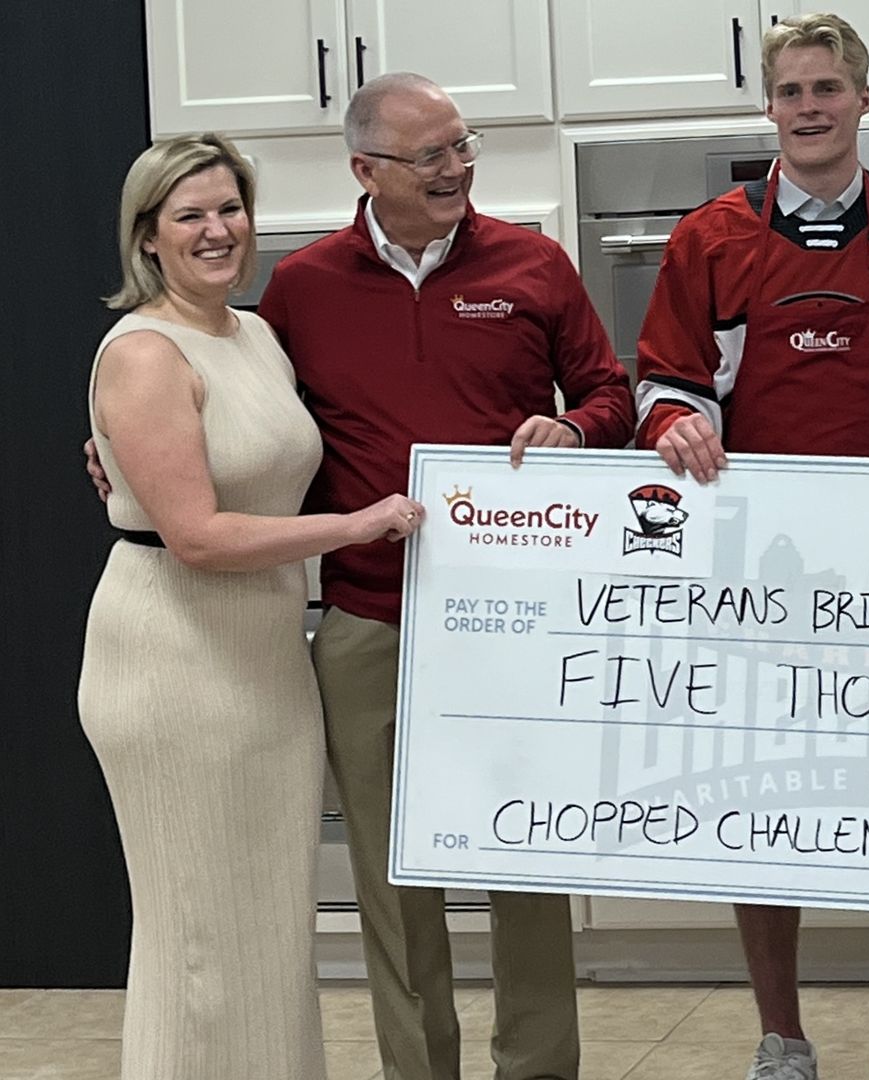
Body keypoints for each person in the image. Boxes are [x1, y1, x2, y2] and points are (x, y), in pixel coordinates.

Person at [90, 74, 637, 1080]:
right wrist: (122, 461)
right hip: (366, 620)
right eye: (430, 154)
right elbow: (239, 430)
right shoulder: (299, 293)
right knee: (393, 880)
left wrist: (576, 427)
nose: (456, 168)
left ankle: (539, 1069)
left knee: (525, 859)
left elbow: (612, 393)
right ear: (365, 170)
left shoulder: (534, 263)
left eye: (462, 145)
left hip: (516, 622)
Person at [631, 14, 869, 1080]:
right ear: (769, 106)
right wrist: (675, 423)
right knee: (761, 802)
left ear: (863, 99)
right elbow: (664, 384)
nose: (809, 108)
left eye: (827, 88)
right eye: (792, 91)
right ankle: (781, 1037)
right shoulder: (710, 238)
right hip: (758, 573)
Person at [78, 133, 426, 1080]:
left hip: (263, 663)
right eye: (189, 215)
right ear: (147, 236)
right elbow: (195, 535)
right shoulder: (144, 352)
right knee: (198, 938)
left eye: (229, 208)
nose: (216, 230)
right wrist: (356, 528)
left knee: (268, 931)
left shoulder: (255, 334)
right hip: (174, 665)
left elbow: (259, 467)